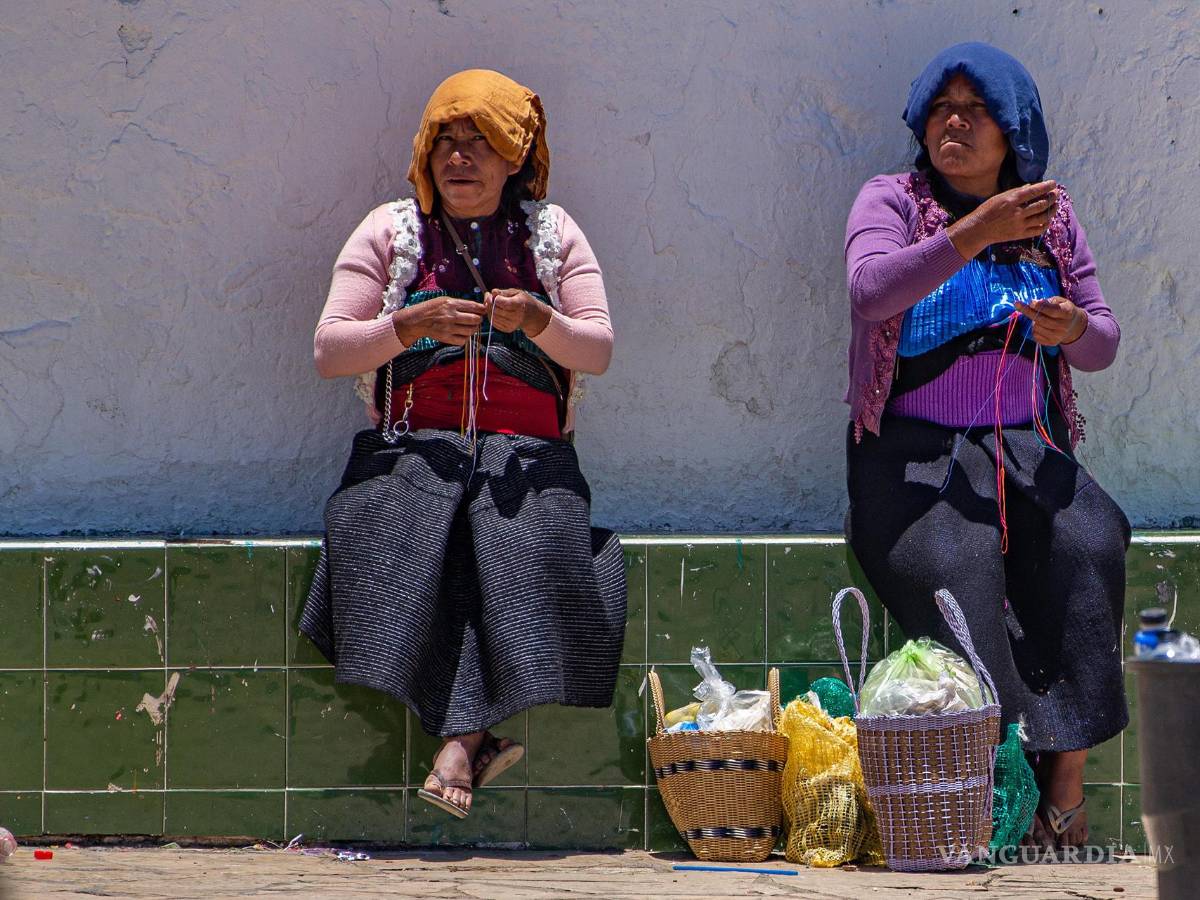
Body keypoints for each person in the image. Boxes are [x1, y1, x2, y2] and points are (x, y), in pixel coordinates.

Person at [301, 69, 626, 819]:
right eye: (444, 141)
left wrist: (538, 321)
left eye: (480, 141)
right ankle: (467, 737)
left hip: (528, 459)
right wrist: (407, 326)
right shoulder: (391, 232)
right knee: (410, 527)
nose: (459, 157)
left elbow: (598, 349)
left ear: (515, 155)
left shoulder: (551, 235)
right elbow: (329, 350)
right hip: (409, 452)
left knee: (510, 532)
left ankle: (459, 740)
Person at [842, 43, 1129, 850]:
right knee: (957, 568)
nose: (955, 123)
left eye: (975, 110)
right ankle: (997, 790)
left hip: (1025, 449)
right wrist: (975, 232)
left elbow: (1104, 341)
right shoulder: (893, 201)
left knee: (1091, 539)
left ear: (1013, 131)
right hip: (913, 458)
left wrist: (1072, 327)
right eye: (942, 108)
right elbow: (871, 291)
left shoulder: (1051, 218)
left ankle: (1064, 785)